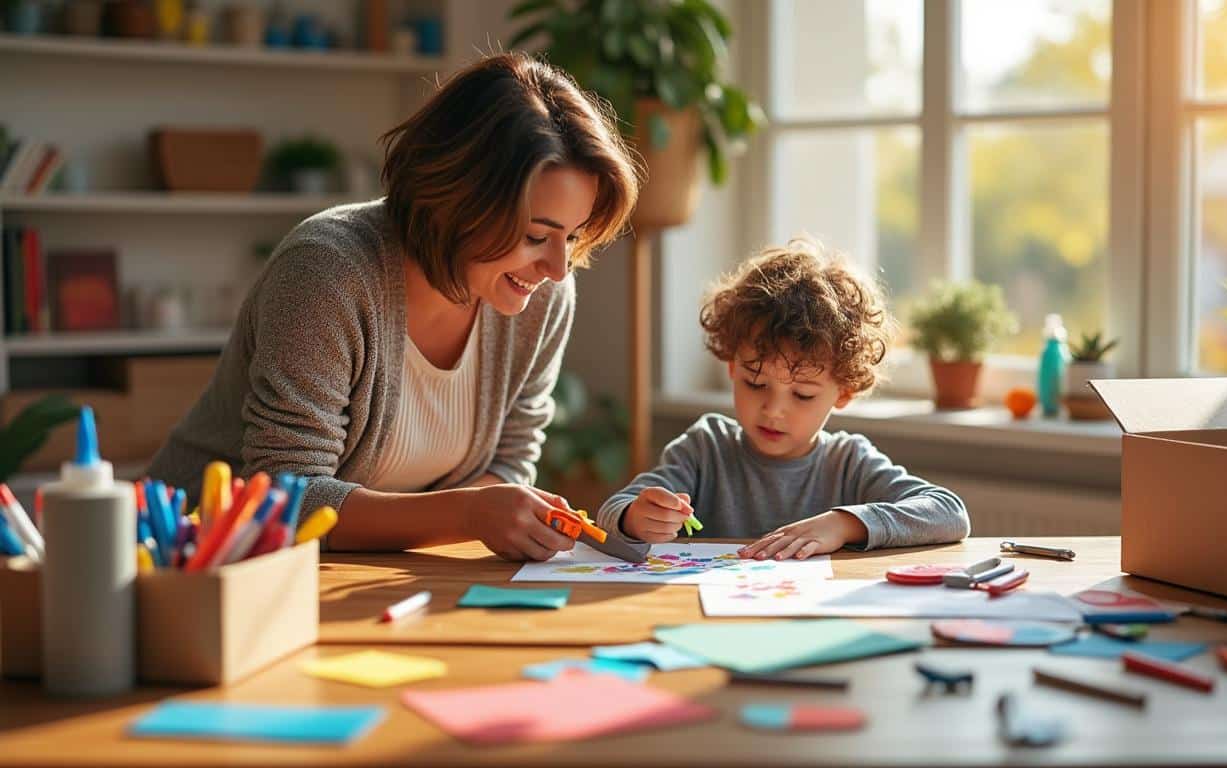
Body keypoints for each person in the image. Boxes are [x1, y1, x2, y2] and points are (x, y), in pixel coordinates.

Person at [148, 52, 640, 560]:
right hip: (196, 564)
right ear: (456, 202)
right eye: (537, 235)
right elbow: (284, 496)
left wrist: (491, 513)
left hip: (366, 573)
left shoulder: (542, 295)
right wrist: (469, 514)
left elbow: (511, 460)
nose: (559, 268)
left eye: (575, 236)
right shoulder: (326, 272)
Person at [595, 237, 970, 560]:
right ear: (731, 368)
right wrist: (634, 517)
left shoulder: (849, 462)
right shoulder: (704, 449)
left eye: (803, 395)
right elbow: (610, 512)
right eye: (755, 383)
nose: (773, 411)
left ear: (844, 392)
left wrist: (844, 524)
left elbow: (949, 513)